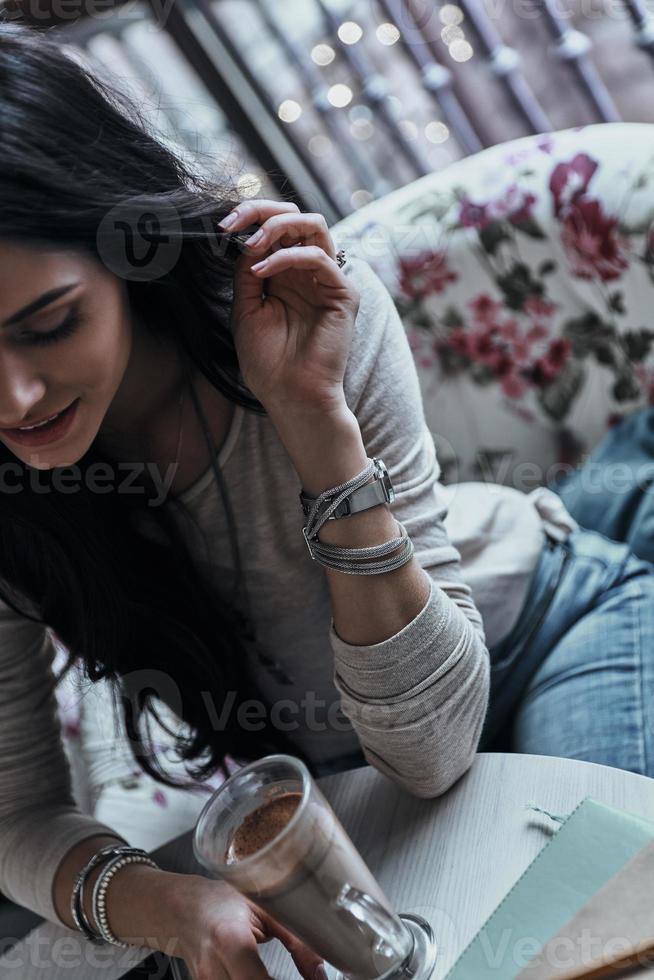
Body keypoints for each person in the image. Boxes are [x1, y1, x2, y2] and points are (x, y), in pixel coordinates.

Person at [0, 21, 652, 980]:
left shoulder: (299, 313)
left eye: (50, 324)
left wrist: (312, 415)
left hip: (549, 633)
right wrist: (165, 903)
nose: (15, 399)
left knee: (593, 939)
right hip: (343, 777)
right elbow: (15, 808)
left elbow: (430, 753)